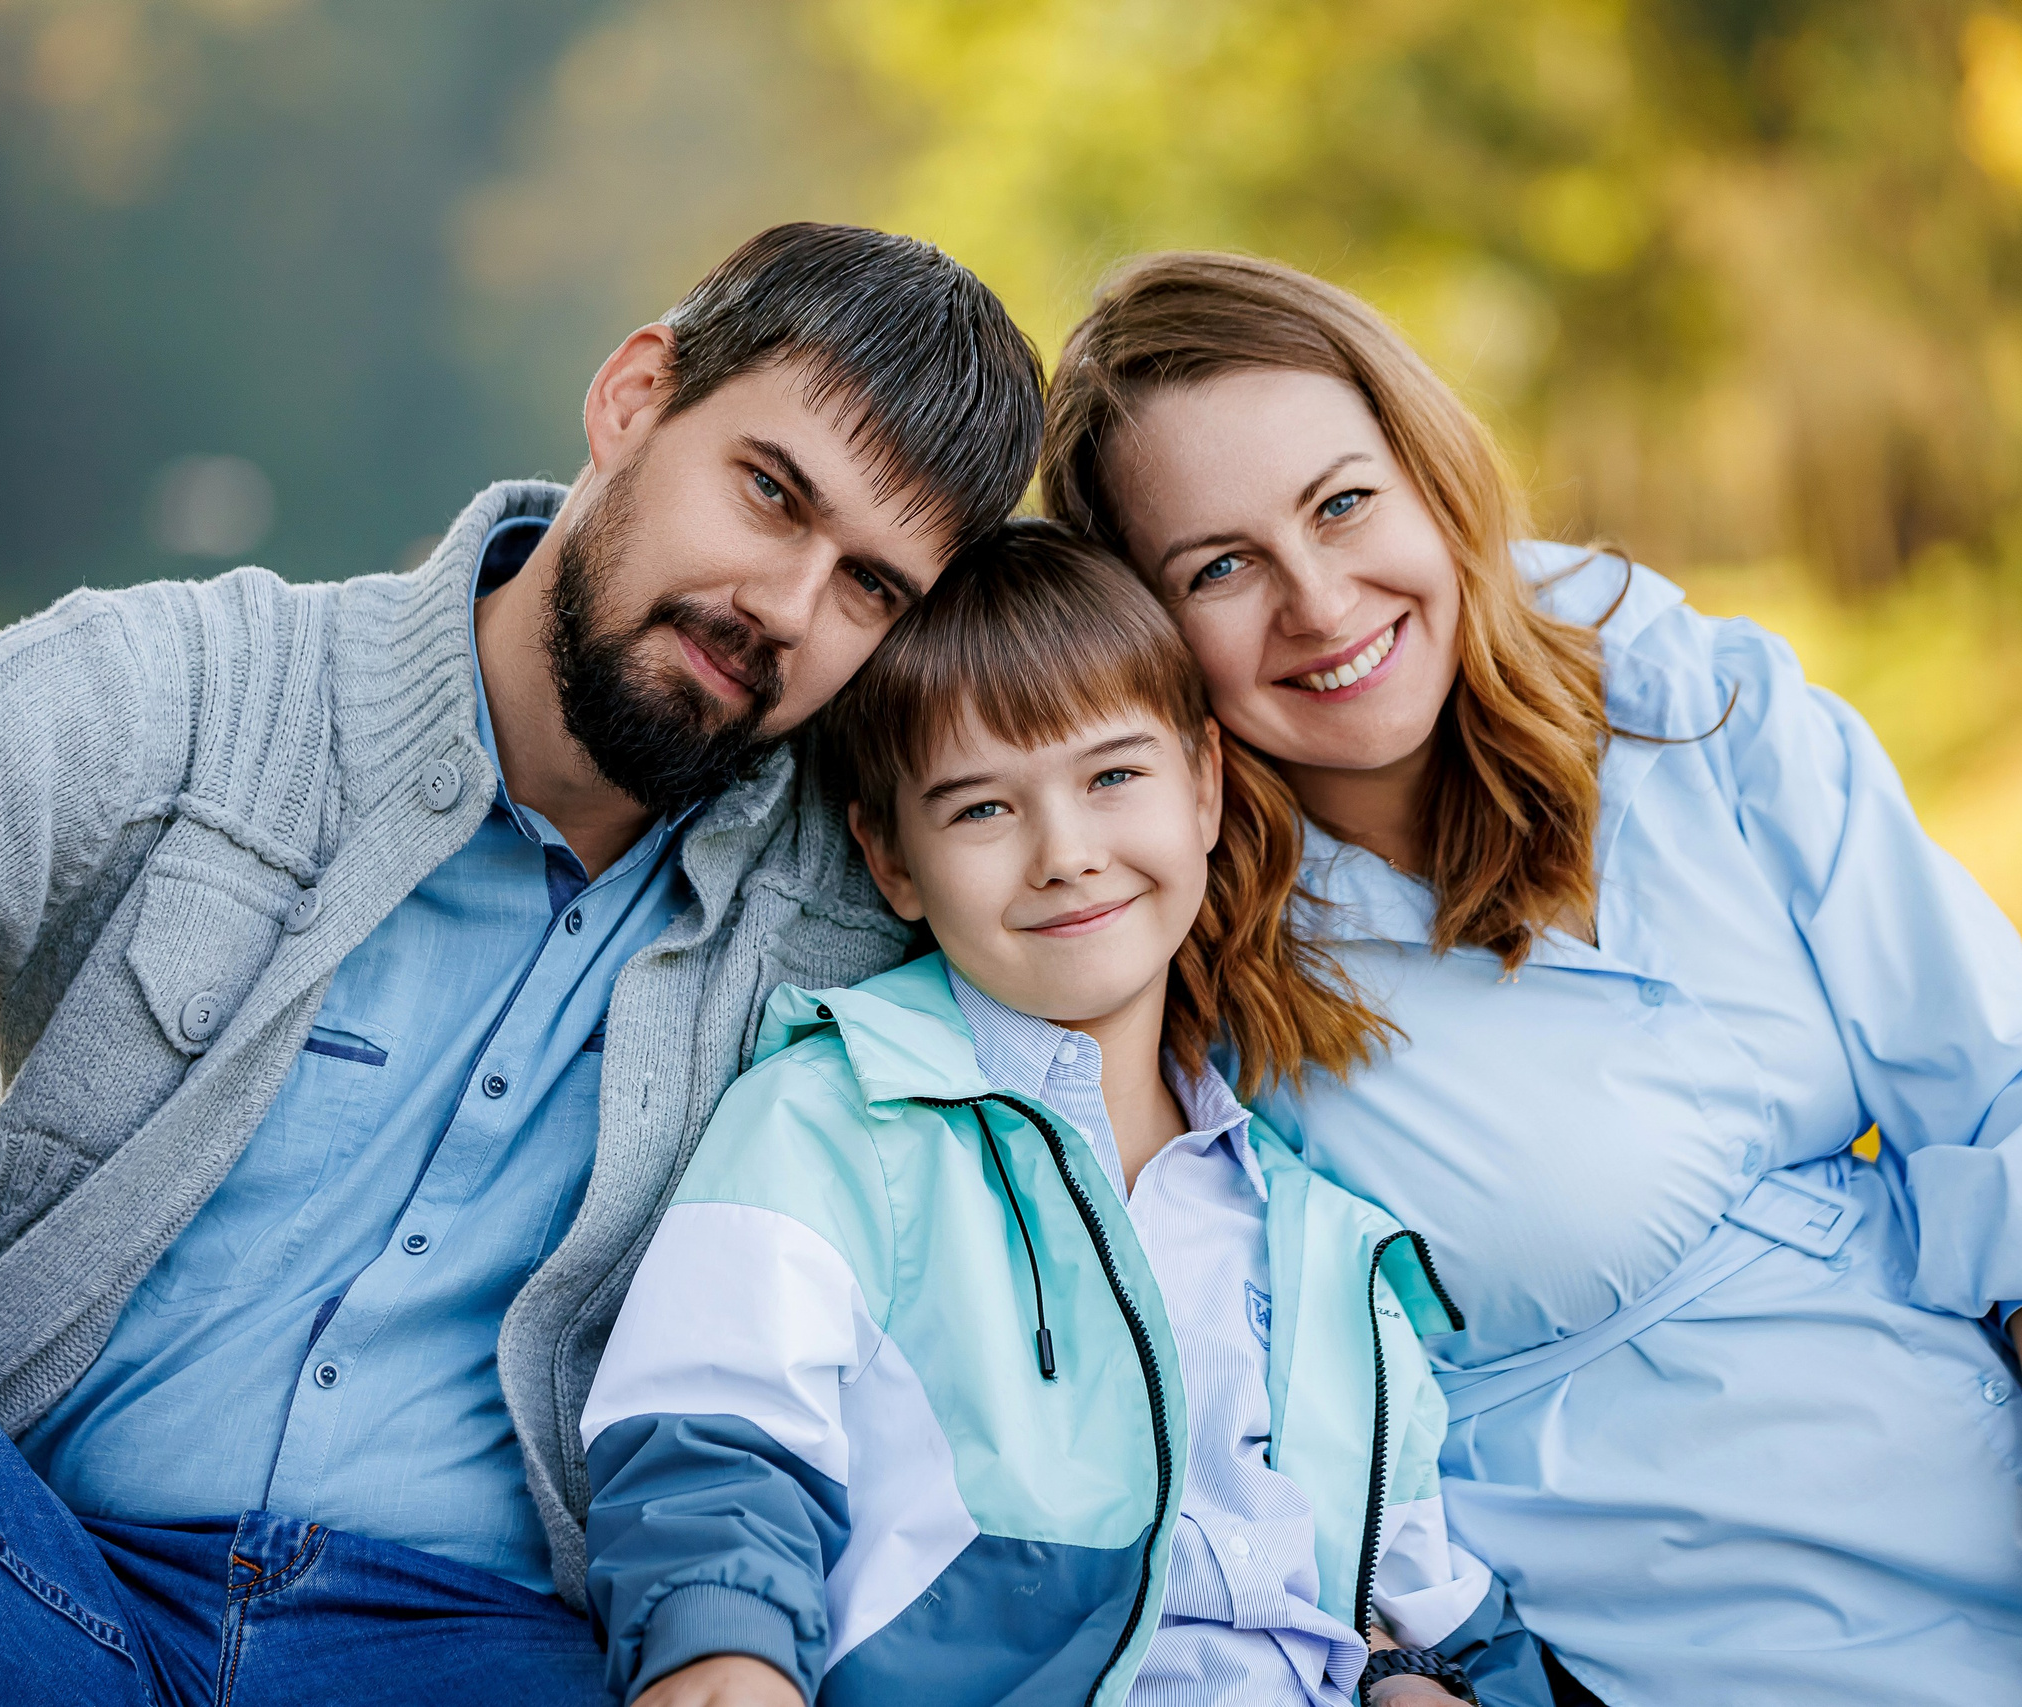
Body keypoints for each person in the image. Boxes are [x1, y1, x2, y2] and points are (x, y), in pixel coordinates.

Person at [0, 223, 1041, 1707]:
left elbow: (1169, 858)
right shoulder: (190, 697)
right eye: (770, 493)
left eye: (870, 588)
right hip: (14, 1608)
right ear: (635, 396)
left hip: (478, 1661)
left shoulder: (875, 906)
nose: (786, 604)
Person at [1036, 249, 2022, 1707]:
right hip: (1711, 1599)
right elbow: (1233, 1422)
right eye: (1218, 567)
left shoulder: (1670, 683)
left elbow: (2013, 1085)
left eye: (1343, 501)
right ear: (1145, 634)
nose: (1318, 599)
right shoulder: (1176, 948)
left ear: (1427, 472)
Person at [580, 521, 1500, 1707]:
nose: (1065, 854)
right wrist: (725, 1659)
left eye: (1113, 777)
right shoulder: (832, 1120)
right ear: (890, 858)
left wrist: (1421, 1679)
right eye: (979, 810)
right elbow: (709, 1447)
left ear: (1204, 787)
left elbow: (1430, 1601)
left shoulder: (1324, 1241)